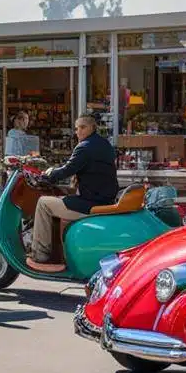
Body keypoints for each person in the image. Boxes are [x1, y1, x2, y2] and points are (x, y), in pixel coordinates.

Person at [27, 115, 120, 273]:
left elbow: (67, 170)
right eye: (77, 128)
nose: (78, 131)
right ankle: (56, 251)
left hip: (91, 203)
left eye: (82, 127)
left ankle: (40, 255)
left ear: (92, 128)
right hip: (104, 198)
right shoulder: (104, 144)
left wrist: (46, 175)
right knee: (61, 198)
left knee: (43, 203)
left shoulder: (84, 147)